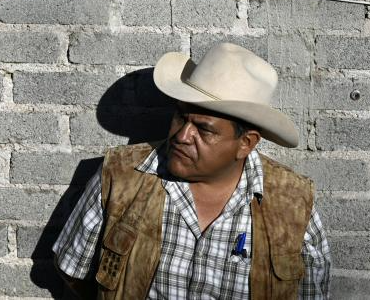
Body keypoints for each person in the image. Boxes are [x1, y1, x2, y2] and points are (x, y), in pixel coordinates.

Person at [53, 41, 331, 299]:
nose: (183, 135)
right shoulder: (122, 175)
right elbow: (74, 272)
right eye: (180, 117)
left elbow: (312, 294)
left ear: (245, 143)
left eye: (204, 129)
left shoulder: (292, 204)